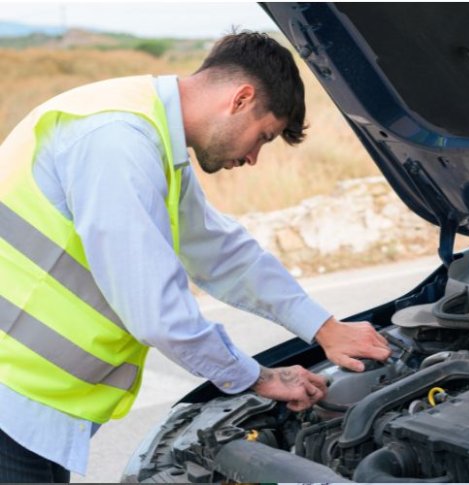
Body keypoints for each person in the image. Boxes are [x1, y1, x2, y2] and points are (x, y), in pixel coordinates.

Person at [0, 31, 392, 482]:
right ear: (241, 98)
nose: (253, 159)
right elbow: (157, 310)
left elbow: (223, 253)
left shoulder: (151, 140)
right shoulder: (117, 141)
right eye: (263, 137)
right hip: (12, 397)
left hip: (36, 407)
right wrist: (256, 377)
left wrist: (325, 328)